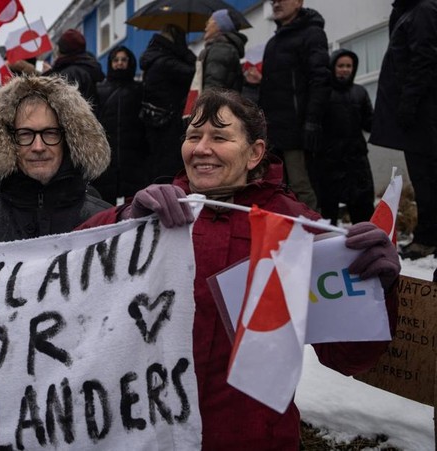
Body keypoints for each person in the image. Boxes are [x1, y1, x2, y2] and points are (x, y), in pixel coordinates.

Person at [77, 89, 400, 449]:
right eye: (193, 135)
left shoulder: (299, 228)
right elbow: (67, 276)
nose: (201, 148)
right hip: (149, 434)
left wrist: (376, 288)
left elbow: (347, 357)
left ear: (255, 152)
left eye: (219, 137)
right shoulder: (154, 211)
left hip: (251, 437)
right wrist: (123, 220)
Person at [0, 75, 112, 243]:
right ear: (7, 141)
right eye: (25, 134)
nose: (38, 147)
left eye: (50, 133)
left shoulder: (109, 227)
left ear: (68, 140)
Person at [370, 0, 437, 260]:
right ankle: (427, 236)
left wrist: (409, 103)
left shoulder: (423, 10)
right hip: (419, 115)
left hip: (424, 114)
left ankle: (428, 238)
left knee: (428, 179)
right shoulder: (407, 11)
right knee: (424, 179)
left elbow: (425, 58)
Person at [259, 0, 330, 211]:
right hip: (274, 131)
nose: (276, 3)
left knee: (301, 186)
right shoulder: (273, 43)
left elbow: (321, 80)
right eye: (273, 0)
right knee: (275, 187)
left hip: (298, 131)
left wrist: (312, 121)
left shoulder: (312, 34)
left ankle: (314, 236)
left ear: (299, 2)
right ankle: (285, 237)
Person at [316, 49, 375, 225]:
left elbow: (369, 122)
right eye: (341, 65)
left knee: (363, 208)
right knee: (328, 211)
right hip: (329, 160)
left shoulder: (360, 92)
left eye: (349, 66)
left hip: (356, 160)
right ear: (333, 67)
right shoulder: (323, 93)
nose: (345, 69)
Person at [139, 24, 196, 182]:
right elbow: (192, 72)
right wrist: (186, 53)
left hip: (155, 119)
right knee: (168, 166)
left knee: (157, 163)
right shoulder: (167, 62)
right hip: (169, 121)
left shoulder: (154, 57)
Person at [93, 45, 148, 204]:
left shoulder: (139, 89)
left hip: (133, 157)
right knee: (106, 206)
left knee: (133, 206)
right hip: (107, 157)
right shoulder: (99, 89)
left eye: (124, 60)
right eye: (116, 60)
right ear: (110, 63)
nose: (119, 63)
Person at [42, 29, 104, 109]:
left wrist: (48, 74)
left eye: (59, 48)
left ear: (64, 50)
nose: (57, 52)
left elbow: (58, 102)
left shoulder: (70, 74)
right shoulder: (88, 66)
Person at [201, 9, 247, 92]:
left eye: (208, 22)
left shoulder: (220, 50)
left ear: (219, 26)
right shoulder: (224, 48)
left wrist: (205, 104)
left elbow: (212, 87)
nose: (205, 28)